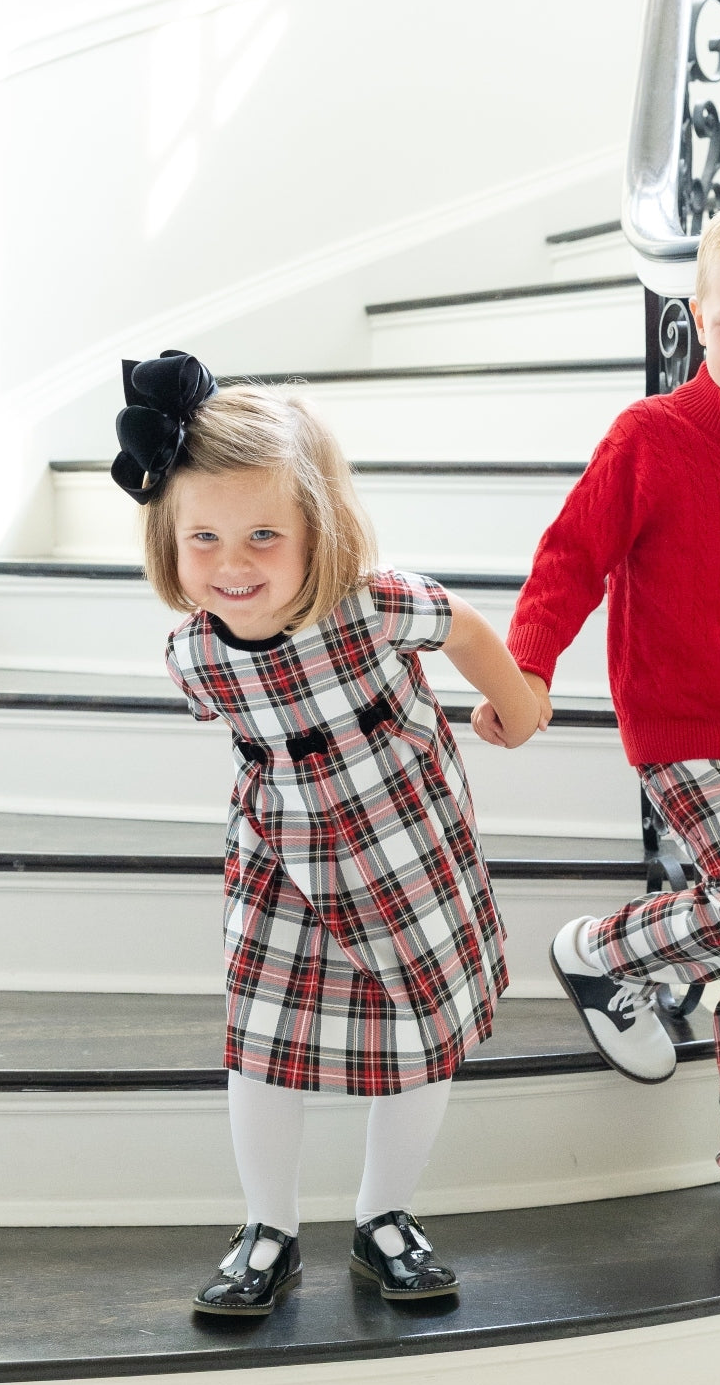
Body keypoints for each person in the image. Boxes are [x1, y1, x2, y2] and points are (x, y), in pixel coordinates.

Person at [473, 194, 720, 1244]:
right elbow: (572, 556)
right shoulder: (650, 436)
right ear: (698, 316)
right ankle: (602, 952)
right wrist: (527, 669)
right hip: (681, 718)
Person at [112, 351, 541, 1314]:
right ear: (169, 541)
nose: (233, 564)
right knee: (263, 1045)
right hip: (285, 860)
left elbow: (465, 628)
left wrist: (516, 707)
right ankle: (267, 1227)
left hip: (405, 842)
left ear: (321, 529)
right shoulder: (194, 655)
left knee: (420, 1033)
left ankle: (385, 1216)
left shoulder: (371, 605)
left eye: (265, 535)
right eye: (204, 538)